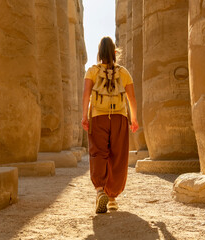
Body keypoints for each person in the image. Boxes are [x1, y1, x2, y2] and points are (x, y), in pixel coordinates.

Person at [81, 36, 139, 214]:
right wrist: (134, 119)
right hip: (119, 118)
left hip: (98, 117)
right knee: (118, 156)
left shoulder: (92, 71)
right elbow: (131, 98)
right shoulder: (124, 72)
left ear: (99, 53)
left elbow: (86, 95)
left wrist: (85, 117)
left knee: (98, 153)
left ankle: (100, 191)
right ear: (115, 52)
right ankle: (112, 198)